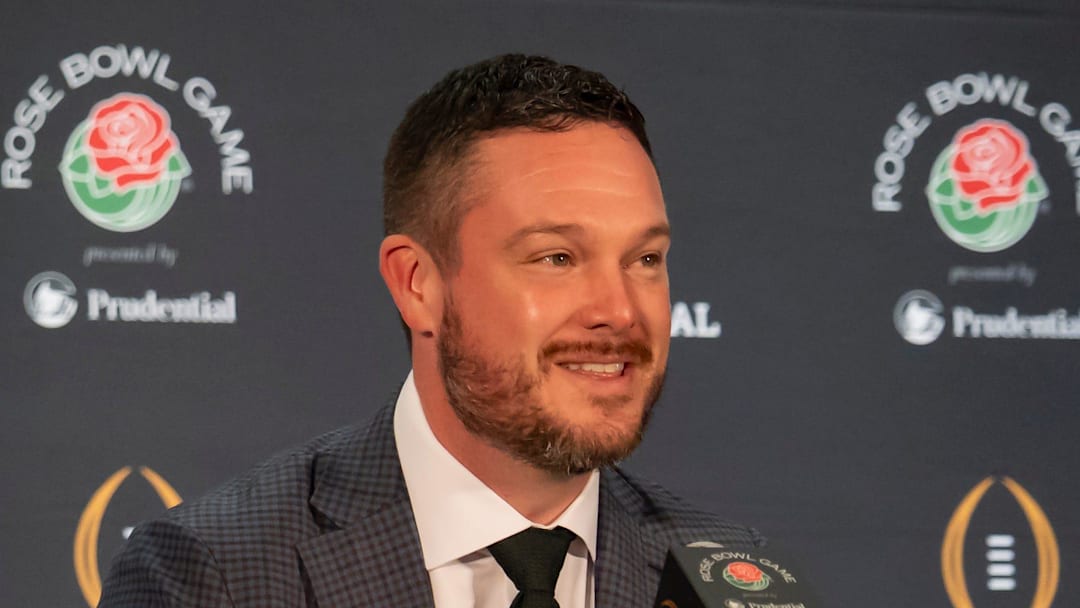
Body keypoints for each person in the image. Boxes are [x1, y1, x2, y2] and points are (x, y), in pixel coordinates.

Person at [99, 53, 763, 608]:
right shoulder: (213, 575)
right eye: (557, 258)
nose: (620, 311)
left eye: (645, 259)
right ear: (418, 283)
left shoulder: (730, 579)